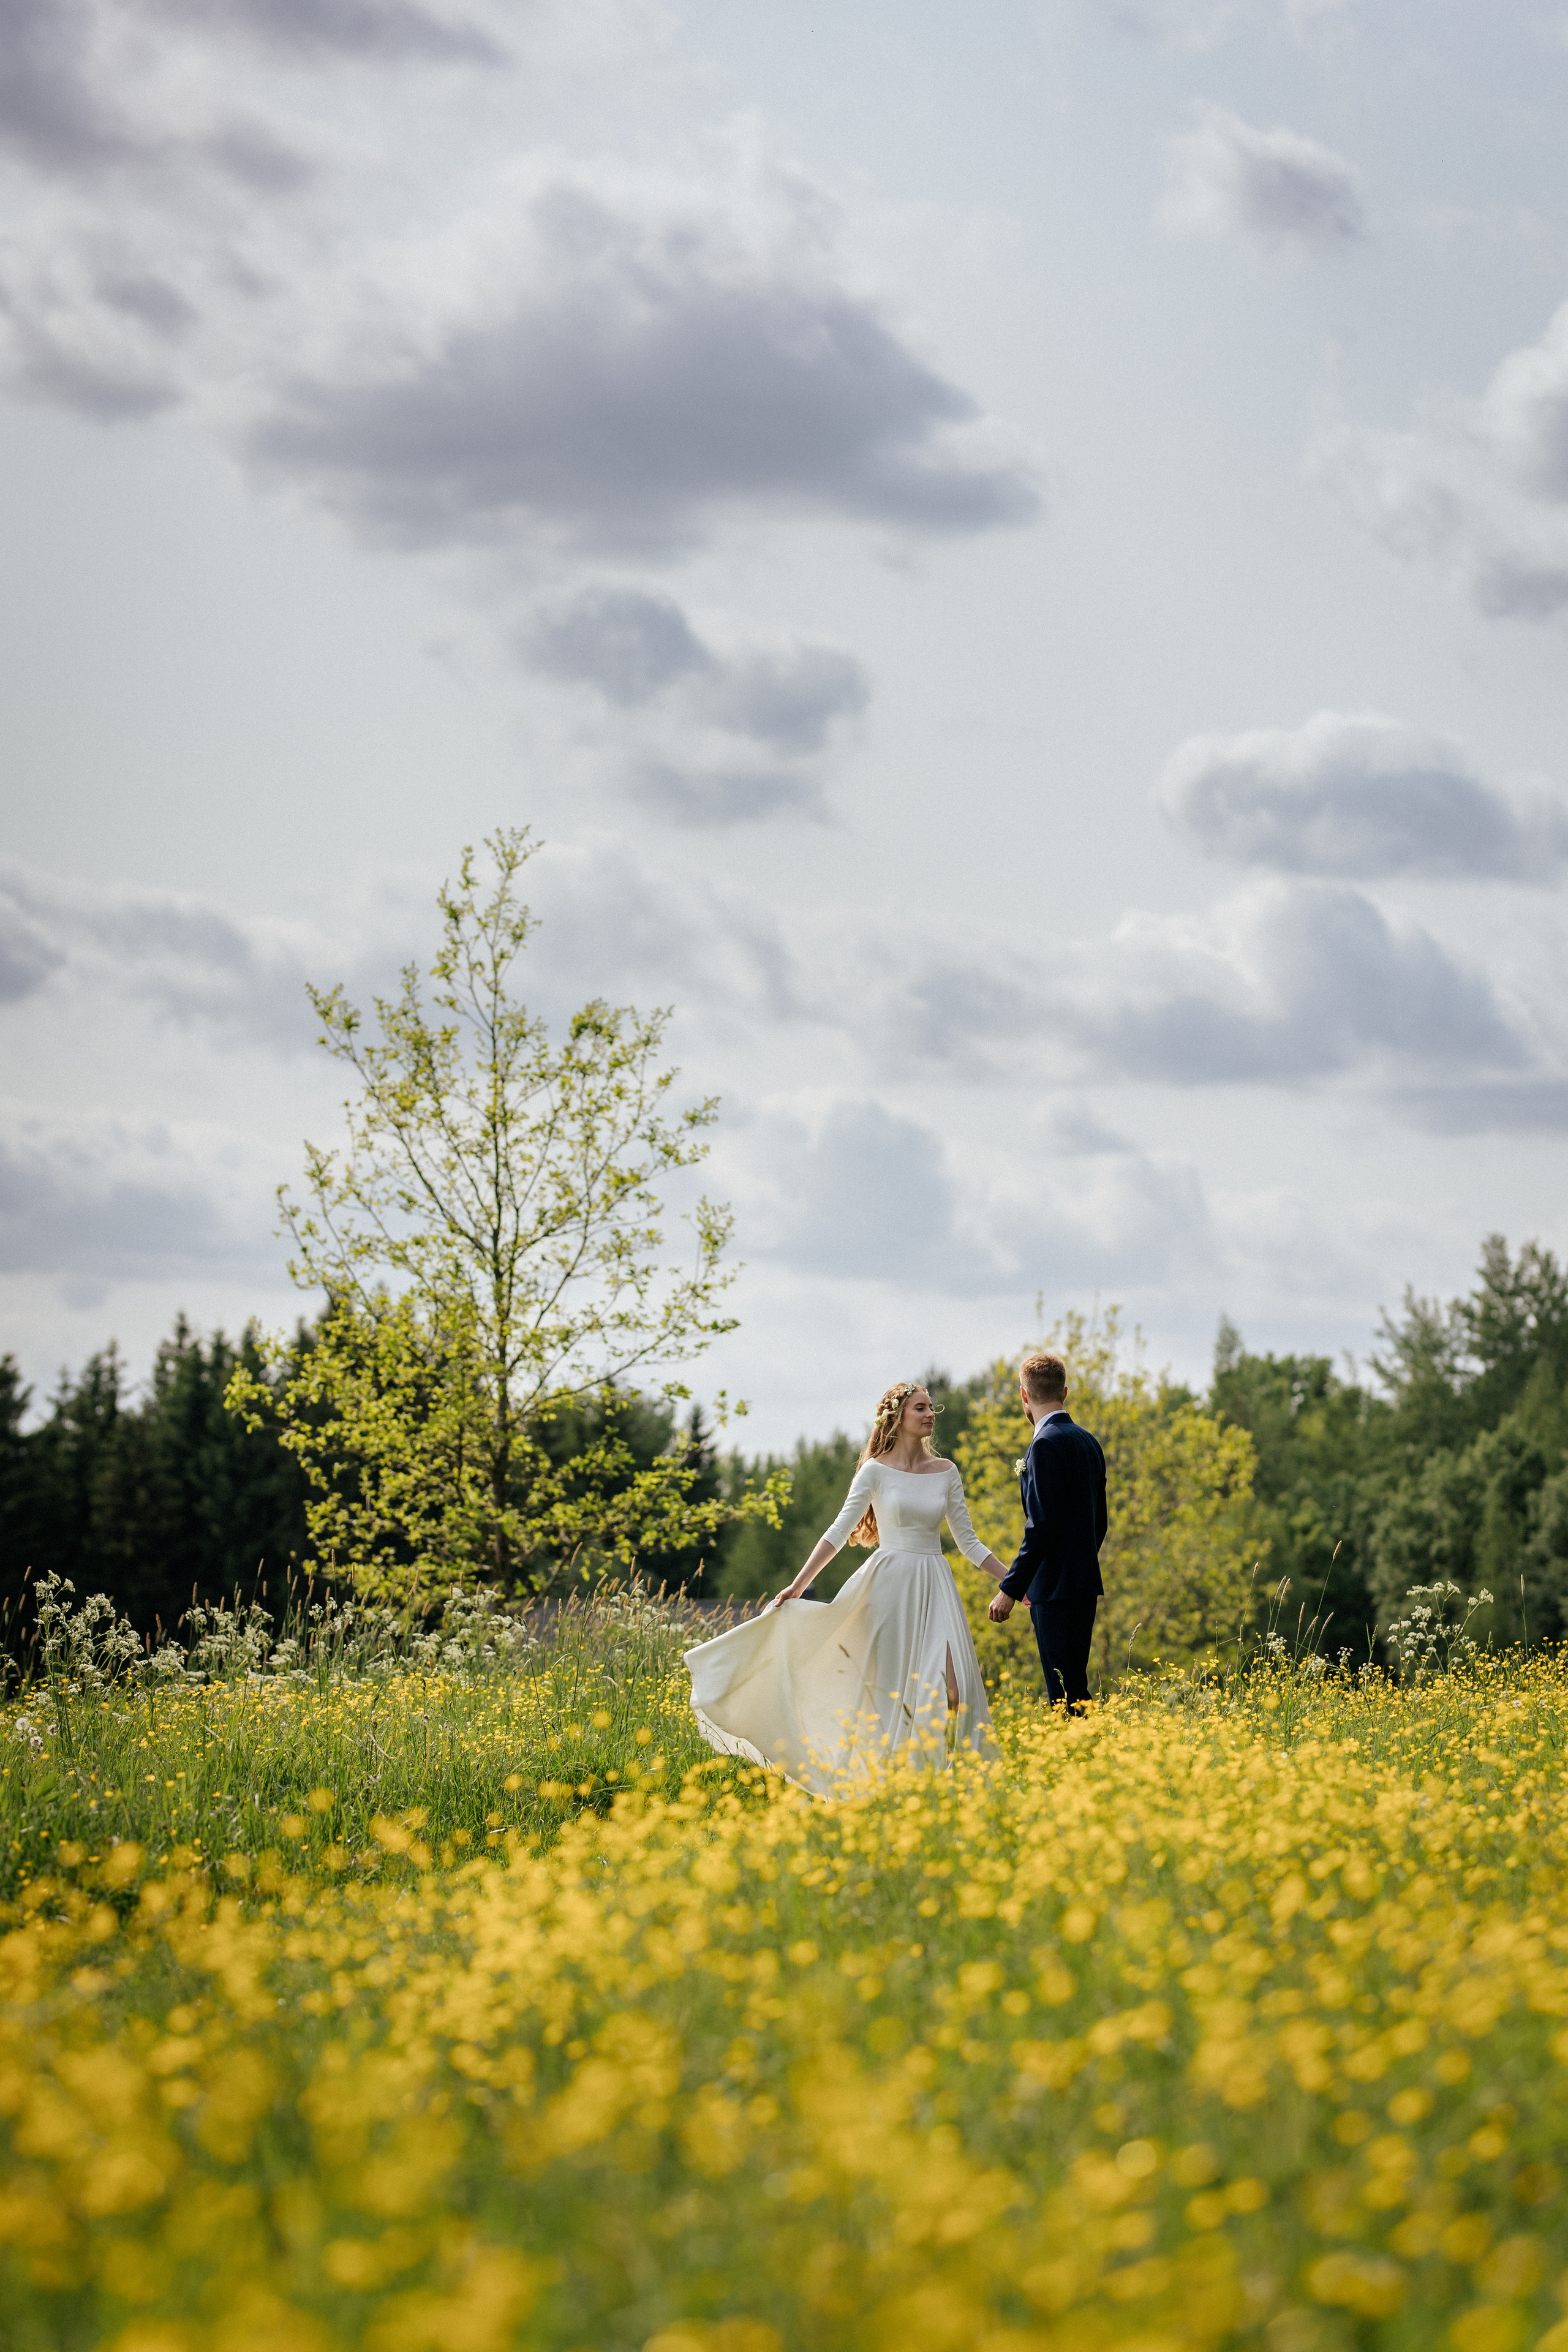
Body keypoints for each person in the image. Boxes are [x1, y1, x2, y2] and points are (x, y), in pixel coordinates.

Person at [684, 1380, 1011, 1795]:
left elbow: (969, 1542)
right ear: (898, 1417)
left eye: (932, 1408)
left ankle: (960, 1783)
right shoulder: (875, 1471)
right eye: (921, 1408)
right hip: (888, 1587)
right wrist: (799, 1585)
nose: (931, 1414)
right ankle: (896, 1789)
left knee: (955, 1688)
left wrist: (1016, 1580)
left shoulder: (946, 1472)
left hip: (934, 1584)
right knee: (893, 1691)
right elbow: (839, 1531)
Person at [988, 1351, 1107, 1709]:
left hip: (1054, 1590)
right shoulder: (1089, 1441)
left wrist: (1011, 1589)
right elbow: (1099, 1522)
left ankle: (1082, 1759)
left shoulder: (1044, 1444)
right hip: (1082, 1584)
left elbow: (1039, 1527)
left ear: (1024, 1395)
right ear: (1065, 1392)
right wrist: (1079, 1560)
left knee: (1065, 1696)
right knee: (1075, 1689)